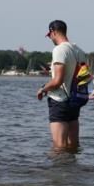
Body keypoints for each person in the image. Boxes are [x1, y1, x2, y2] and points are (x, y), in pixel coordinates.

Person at [36, 20, 87, 153]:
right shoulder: (79, 51)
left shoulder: (59, 50)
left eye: (49, 35)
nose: (50, 38)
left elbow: (57, 81)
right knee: (73, 146)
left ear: (53, 32)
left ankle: (60, 167)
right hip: (75, 101)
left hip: (59, 101)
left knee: (59, 147)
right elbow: (83, 78)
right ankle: (72, 166)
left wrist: (43, 89)